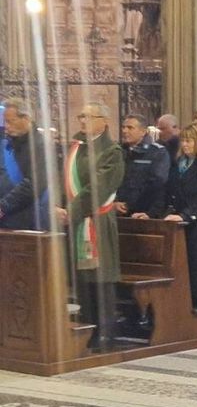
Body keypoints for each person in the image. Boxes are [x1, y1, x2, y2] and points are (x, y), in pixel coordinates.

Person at [54, 103, 125, 350]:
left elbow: (98, 187)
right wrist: (58, 207)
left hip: (98, 221)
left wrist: (70, 212)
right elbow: (63, 181)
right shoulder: (77, 147)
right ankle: (87, 326)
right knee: (82, 278)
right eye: (80, 116)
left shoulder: (112, 152)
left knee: (101, 275)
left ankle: (105, 330)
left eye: (88, 116)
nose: (83, 120)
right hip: (75, 221)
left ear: (104, 121)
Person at [136, 123, 197, 311]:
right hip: (181, 222)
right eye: (183, 141)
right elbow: (166, 192)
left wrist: (185, 215)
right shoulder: (179, 163)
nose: (185, 145)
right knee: (184, 268)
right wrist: (151, 213)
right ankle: (184, 308)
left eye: (189, 141)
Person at [0, 98, 50, 230]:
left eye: (11, 121)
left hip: (28, 219)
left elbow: (34, 183)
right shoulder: (8, 144)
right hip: (6, 218)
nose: (6, 127)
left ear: (26, 119)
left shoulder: (40, 145)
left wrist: (3, 206)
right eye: (5, 122)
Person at [115, 113, 170, 219]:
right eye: (123, 127)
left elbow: (157, 184)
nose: (125, 131)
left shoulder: (157, 152)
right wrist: (114, 203)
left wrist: (131, 205)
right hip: (118, 211)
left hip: (145, 213)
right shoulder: (119, 151)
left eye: (130, 128)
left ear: (143, 131)